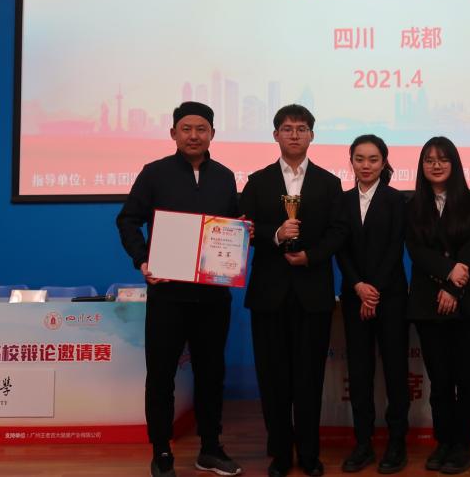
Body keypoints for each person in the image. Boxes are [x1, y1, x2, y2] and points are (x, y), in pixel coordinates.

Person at [116, 101, 245, 477]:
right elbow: (128, 220)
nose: (193, 135)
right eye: (186, 128)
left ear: (212, 134)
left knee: (211, 374)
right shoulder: (154, 173)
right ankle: (161, 451)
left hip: (212, 297)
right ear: (173, 133)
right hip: (168, 295)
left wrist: (242, 233)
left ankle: (210, 448)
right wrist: (143, 261)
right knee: (161, 376)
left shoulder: (225, 177)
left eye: (201, 129)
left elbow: (230, 226)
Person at [240, 105, 342, 477]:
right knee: (273, 379)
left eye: (301, 128)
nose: (294, 134)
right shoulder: (257, 181)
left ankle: (310, 454)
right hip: (269, 294)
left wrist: (310, 256)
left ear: (311, 135)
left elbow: (338, 232)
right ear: (276, 135)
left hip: (312, 293)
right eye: (287, 128)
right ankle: (281, 454)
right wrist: (275, 234)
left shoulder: (329, 183)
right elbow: (243, 229)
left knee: (310, 378)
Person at [405, 137, 470, 475]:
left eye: (442, 159)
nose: (436, 165)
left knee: (468, 381)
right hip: (428, 304)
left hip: (468, 305)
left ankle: (463, 445)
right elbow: (416, 250)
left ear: (454, 164)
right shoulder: (413, 206)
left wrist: (454, 288)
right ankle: (443, 441)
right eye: (429, 160)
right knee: (439, 381)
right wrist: (446, 273)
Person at [330, 135, 409, 474]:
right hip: (354, 297)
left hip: (390, 298)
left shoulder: (396, 200)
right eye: (359, 159)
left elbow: (395, 248)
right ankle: (363, 443)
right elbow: (340, 249)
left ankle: (397, 443)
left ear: (384, 162)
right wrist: (358, 287)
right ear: (351, 161)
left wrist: (373, 290)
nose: (366, 165)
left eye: (373, 159)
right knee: (360, 373)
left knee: (395, 371)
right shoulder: (342, 201)